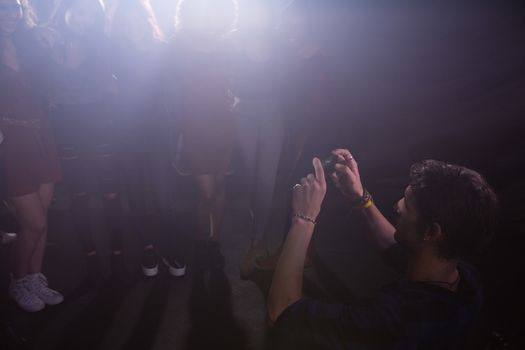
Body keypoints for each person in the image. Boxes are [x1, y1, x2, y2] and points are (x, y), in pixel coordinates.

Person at [267, 149, 499, 349]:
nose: (397, 206)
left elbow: (281, 313)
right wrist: (360, 198)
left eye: (407, 203)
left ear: (431, 232)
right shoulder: (466, 280)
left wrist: (303, 219)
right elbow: (395, 249)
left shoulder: (395, 320)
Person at [47, 0, 128, 285]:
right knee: (78, 198)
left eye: (91, 15)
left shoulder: (101, 44)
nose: (84, 19)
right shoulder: (47, 42)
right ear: (65, 9)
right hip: (66, 127)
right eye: (80, 11)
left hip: (99, 124)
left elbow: (113, 85)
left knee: (111, 195)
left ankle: (118, 260)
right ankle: (92, 262)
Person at [110, 0, 185, 277]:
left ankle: (169, 246)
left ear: (146, 19)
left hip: (157, 132)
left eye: (136, 20)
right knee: (137, 193)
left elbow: (174, 94)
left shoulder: (161, 49)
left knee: (164, 196)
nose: (131, 26)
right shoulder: (113, 50)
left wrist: (177, 134)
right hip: (126, 132)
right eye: (125, 22)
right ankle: (148, 247)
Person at [0, 0, 63, 312]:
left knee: (42, 215)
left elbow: (54, 86)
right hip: (10, 142)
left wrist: (50, 51)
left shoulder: (31, 43)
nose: (10, 15)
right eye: (2, 8)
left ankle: (34, 277)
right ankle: (16, 280)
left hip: (42, 135)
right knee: (33, 222)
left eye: (14, 7)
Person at [169, 0, 238, 264]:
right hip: (195, 126)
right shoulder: (178, 45)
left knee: (219, 187)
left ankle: (213, 242)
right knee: (206, 192)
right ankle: (202, 242)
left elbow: (236, 82)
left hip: (223, 124)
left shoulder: (227, 45)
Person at [230, 0, 285, 278]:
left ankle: (257, 240)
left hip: (274, 112)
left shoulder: (280, 39)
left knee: (266, 179)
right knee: (250, 178)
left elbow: (296, 76)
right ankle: (256, 228)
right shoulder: (233, 40)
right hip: (244, 112)